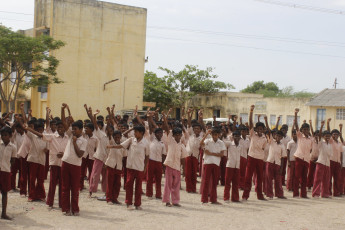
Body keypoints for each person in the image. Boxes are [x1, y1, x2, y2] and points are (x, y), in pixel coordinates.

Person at [108, 125, 149, 210]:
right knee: (129, 185)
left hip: (139, 168)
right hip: (130, 166)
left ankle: (137, 204)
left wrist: (145, 168)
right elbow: (121, 146)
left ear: (141, 133)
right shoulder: (131, 140)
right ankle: (128, 203)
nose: (134, 133)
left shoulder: (146, 143)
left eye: (136, 132)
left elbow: (147, 156)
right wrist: (112, 146)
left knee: (138, 187)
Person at [60, 104, 87, 216]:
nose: (73, 130)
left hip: (76, 165)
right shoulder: (71, 134)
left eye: (75, 129)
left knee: (75, 189)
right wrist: (63, 109)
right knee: (65, 187)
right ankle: (66, 209)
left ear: (81, 129)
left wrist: (75, 142)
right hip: (66, 162)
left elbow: (80, 154)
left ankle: (75, 209)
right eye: (73, 129)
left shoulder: (83, 141)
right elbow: (63, 122)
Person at [242, 105, 268, 201]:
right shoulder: (253, 134)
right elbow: (251, 122)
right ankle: (245, 195)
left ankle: (260, 195)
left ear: (263, 130)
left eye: (262, 129)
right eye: (259, 129)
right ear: (256, 129)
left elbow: (263, 148)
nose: (260, 130)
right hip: (251, 157)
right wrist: (251, 111)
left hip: (260, 159)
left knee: (260, 178)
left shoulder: (264, 138)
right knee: (248, 177)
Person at [161, 117, 187, 207]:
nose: (177, 136)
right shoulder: (170, 141)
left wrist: (184, 170)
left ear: (181, 136)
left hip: (177, 167)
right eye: (176, 135)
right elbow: (168, 129)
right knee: (168, 184)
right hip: (169, 165)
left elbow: (183, 158)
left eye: (179, 135)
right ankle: (167, 201)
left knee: (176, 185)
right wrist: (165, 118)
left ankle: (175, 201)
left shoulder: (182, 146)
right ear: (173, 135)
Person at [200, 127, 226, 204]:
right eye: (213, 134)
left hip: (216, 163)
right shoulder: (208, 140)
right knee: (206, 182)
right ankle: (204, 199)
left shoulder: (221, 142)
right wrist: (206, 134)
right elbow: (201, 143)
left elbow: (222, 154)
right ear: (211, 135)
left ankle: (213, 199)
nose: (215, 136)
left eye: (216, 135)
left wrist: (211, 153)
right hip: (208, 162)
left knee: (215, 182)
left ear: (218, 135)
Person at [24, 121, 48, 202]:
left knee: (40, 179)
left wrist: (46, 150)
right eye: (38, 130)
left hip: (41, 160)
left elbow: (49, 148)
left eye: (41, 130)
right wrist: (22, 120)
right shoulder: (33, 136)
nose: (40, 131)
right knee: (32, 179)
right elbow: (26, 129)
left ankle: (40, 195)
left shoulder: (46, 138)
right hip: (33, 159)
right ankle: (31, 195)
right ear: (36, 130)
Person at [146, 112, 166, 199]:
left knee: (158, 179)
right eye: (158, 133)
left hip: (158, 162)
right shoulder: (152, 139)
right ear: (155, 134)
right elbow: (151, 127)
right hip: (151, 161)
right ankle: (149, 193)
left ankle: (158, 194)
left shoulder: (162, 144)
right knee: (149, 178)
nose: (160, 135)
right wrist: (150, 118)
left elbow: (163, 155)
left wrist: (163, 166)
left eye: (161, 133)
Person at [293, 108, 313, 198]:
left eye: (307, 129)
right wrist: (296, 114)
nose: (305, 131)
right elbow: (296, 125)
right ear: (302, 130)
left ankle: (303, 194)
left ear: (309, 130)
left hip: (306, 159)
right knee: (297, 176)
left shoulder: (311, 138)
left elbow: (311, 149)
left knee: (304, 177)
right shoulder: (300, 136)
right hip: (299, 157)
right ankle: (296, 193)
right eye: (304, 129)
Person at [105, 130, 126, 204]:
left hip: (119, 166)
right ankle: (109, 198)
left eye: (118, 137)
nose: (117, 138)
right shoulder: (111, 143)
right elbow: (109, 134)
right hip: (111, 165)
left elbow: (124, 156)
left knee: (117, 184)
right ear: (113, 137)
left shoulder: (123, 146)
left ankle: (115, 198)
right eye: (116, 137)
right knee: (110, 183)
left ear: (120, 137)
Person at [0, 126, 17, 220]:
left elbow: (13, 160)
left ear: (10, 136)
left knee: (4, 192)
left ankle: (3, 213)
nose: (3, 137)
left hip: (6, 171)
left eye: (5, 135)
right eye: (2, 135)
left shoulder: (13, 147)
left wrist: (7, 165)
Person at [312, 121, 332, 198]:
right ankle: (315, 193)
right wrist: (321, 126)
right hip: (320, 162)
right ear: (323, 137)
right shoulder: (321, 143)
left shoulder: (330, 145)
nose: (327, 137)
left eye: (328, 136)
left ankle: (325, 193)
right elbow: (319, 135)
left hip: (327, 163)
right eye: (326, 136)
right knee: (318, 179)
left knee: (326, 180)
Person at [265, 128, 287, 199]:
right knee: (269, 179)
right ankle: (269, 194)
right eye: (277, 135)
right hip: (270, 162)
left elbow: (283, 158)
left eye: (280, 136)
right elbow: (269, 131)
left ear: (281, 137)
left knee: (278, 180)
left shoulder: (282, 146)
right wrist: (266, 121)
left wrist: (281, 168)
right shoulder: (271, 142)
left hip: (277, 164)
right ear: (275, 136)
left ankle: (279, 194)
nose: (278, 137)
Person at [223, 131, 242, 202]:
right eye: (235, 136)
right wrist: (230, 135)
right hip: (230, 165)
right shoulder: (229, 144)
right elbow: (223, 141)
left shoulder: (240, 146)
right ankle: (226, 198)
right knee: (227, 182)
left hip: (237, 166)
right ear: (233, 137)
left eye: (238, 136)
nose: (237, 137)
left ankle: (235, 198)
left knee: (236, 183)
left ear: (240, 137)